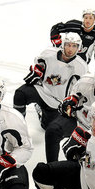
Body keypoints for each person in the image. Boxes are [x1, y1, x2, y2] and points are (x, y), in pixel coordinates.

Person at [13, 32, 87, 162]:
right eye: (68, 45)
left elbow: (81, 90)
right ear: (62, 45)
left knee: (48, 128)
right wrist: (37, 70)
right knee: (20, 94)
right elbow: (39, 64)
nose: (70, 49)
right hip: (42, 91)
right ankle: (18, 131)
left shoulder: (81, 66)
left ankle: (42, 112)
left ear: (79, 48)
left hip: (58, 102)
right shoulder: (48, 53)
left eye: (74, 46)